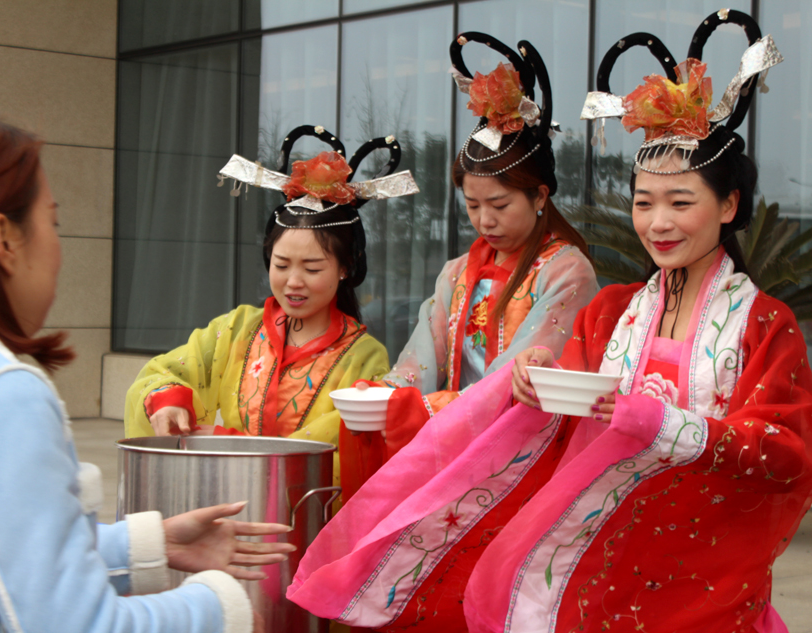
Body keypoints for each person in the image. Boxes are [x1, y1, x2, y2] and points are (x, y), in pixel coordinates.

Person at [288, 13, 811, 633]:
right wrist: (535, 382)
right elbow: (563, 420)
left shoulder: (763, 324)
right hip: (598, 560)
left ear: (728, 206)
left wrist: (657, 422)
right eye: (644, 203)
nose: (658, 223)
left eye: (681, 202)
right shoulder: (612, 312)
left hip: (704, 576)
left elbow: (785, 452)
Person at [0, 113, 296, 633]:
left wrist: (148, 544)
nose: (58, 248)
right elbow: (75, 622)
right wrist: (222, 608)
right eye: (53, 222)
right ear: (3, 239)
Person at [338, 33, 598, 501]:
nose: (484, 220)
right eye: (472, 205)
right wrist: (386, 395)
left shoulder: (567, 271)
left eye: (499, 204)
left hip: (526, 455)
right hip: (455, 447)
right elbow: (422, 358)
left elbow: (511, 380)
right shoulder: (457, 272)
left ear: (540, 196)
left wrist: (420, 410)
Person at [124, 126, 418, 490]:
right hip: (226, 495)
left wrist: (229, 443)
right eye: (281, 265)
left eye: (312, 269)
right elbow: (164, 372)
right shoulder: (237, 328)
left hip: (309, 509)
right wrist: (168, 401)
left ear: (345, 269)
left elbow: (346, 447)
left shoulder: (364, 357)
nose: (293, 281)